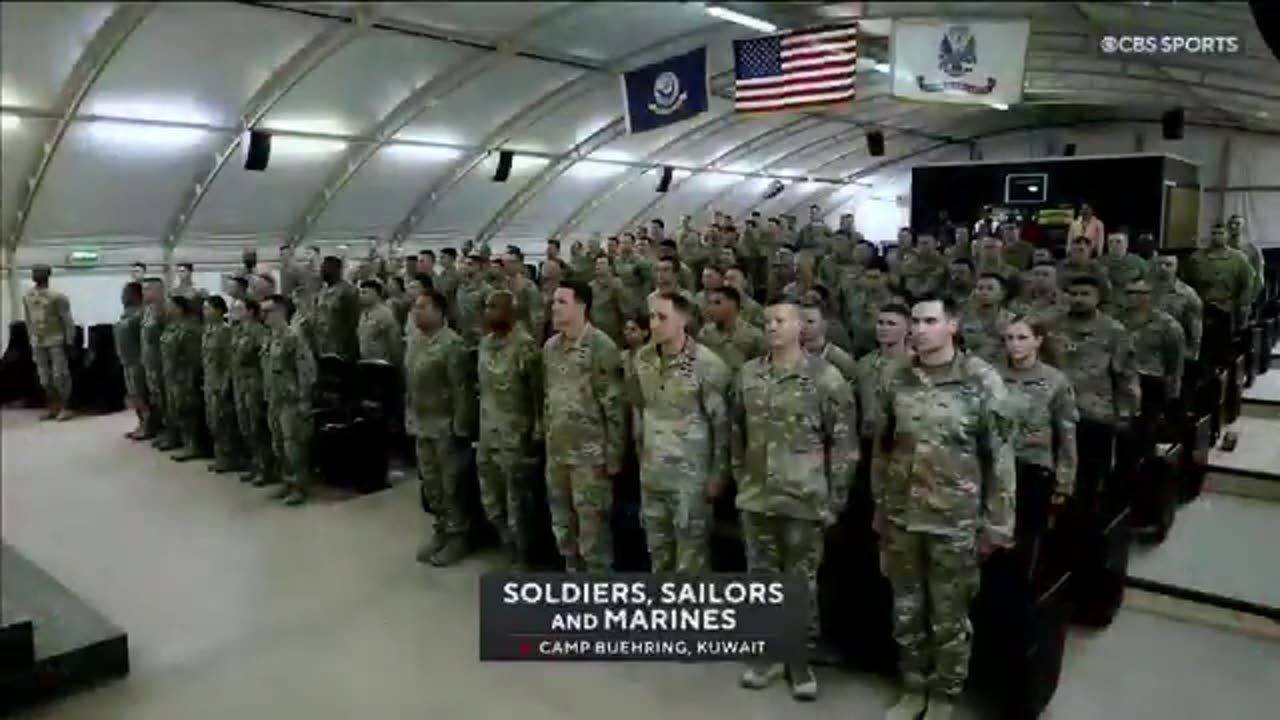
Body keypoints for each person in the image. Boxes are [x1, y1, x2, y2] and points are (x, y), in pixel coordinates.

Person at [875, 295, 1016, 720]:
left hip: (955, 520)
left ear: (952, 325)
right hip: (902, 516)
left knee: (949, 617)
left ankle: (944, 696)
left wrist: (998, 524)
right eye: (915, 322)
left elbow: (1001, 458)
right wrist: (880, 506)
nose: (919, 330)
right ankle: (913, 686)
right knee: (906, 610)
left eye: (930, 321)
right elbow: (883, 449)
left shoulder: (981, 381)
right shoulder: (897, 376)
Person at [733, 299, 856, 702]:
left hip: (804, 498)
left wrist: (835, 499)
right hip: (757, 495)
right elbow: (737, 431)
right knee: (761, 578)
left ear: (800, 326)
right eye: (767, 321)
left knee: (800, 582)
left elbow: (842, 443)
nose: (771, 327)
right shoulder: (749, 374)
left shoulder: (827, 378)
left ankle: (799, 658)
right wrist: (741, 477)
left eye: (779, 320)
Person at [629, 292, 731, 574]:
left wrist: (717, 477)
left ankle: (691, 617)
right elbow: (640, 410)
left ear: (683, 320)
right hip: (653, 476)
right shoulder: (643, 359)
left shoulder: (707, 365)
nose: (654, 324)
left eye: (662, 317)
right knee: (658, 558)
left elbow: (721, 427)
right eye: (651, 317)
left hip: (690, 481)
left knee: (691, 565)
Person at [543, 279, 625, 573]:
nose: (554, 307)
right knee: (562, 525)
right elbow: (548, 396)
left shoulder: (601, 346)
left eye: (561, 302)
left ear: (582, 306)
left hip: (589, 457)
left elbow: (615, 407)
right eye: (554, 301)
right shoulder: (551, 347)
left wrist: (614, 454)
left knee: (593, 531)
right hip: (558, 453)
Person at [1045, 276, 1139, 509]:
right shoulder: (1051, 326)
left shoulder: (1114, 331)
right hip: (1053, 413)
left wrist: (1126, 412)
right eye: (1074, 294)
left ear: (1098, 298)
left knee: (1090, 478)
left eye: (1085, 294)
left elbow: (1125, 375)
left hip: (1095, 414)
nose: (1078, 299)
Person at [406, 290, 473, 565]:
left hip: (445, 425)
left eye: (423, 307)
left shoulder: (452, 344)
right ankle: (441, 529)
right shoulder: (414, 342)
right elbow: (408, 385)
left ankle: (458, 536)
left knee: (451, 485)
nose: (416, 311)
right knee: (431, 484)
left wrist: (461, 427)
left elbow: (462, 389)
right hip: (422, 424)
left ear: (439, 312)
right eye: (415, 307)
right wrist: (408, 418)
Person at [477, 291, 543, 568]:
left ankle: (522, 555)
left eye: (494, 307)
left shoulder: (525, 346)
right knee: (490, 497)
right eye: (486, 307)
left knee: (517, 500)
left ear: (510, 311)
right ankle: (506, 542)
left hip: (515, 434)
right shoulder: (485, 344)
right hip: (487, 431)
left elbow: (538, 391)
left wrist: (537, 428)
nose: (488, 312)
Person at [1001, 316, 1078, 506]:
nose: (1014, 344)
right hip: (997, 469)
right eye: (1009, 338)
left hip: (1034, 467)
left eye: (1022, 338)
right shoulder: (992, 377)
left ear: (1038, 341)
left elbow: (1066, 434)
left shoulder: (1055, 380)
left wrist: (1064, 482)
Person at [261, 293, 318, 506]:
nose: (264, 316)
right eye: (263, 312)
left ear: (281, 312)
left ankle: (299, 486)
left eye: (269, 311)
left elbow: (307, 370)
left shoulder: (293, 337)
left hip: (291, 399)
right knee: (278, 444)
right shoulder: (270, 336)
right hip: (274, 397)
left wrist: (304, 399)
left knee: (293, 445)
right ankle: (287, 480)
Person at [232, 298, 278, 487]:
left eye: (240, 308)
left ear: (251, 311)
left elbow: (259, 358)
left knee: (257, 427)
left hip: (254, 383)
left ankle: (266, 468)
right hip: (241, 382)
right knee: (245, 427)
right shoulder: (236, 330)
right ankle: (255, 464)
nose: (235, 311)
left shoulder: (260, 332)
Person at [22, 264, 75, 421]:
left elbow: (67, 320)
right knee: (44, 376)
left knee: (60, 375)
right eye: (34, 272)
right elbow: (28, 319)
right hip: (37, 340)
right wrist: (30, 337)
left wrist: (70, 341)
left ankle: (66, 407)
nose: (35, 274)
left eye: (39, 272)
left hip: (55, 339)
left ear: (47, 275)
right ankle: (53, 407)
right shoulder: (28, 296)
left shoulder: (57, 297)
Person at [853, 303, 912, 441]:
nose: (884, 328)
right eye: (880, 323)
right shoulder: (864, 364)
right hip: (867, 443)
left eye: (891, 324)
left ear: (907, 329)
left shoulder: (914, 365)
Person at [161, 294, 205, 462]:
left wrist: (190, 380)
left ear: (179, 308)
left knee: (188, 412)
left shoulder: (190, 328)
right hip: (172, 375)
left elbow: (194, 358)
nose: (167, 309)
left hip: (184, 377)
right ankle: (184, 442)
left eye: (170, 306)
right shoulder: (172, 326)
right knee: (177, 411)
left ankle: (192, 445)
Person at [202, 295, 242, 474]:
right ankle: (220, 456)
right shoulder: (208, 330)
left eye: (208, 308)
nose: (204, 312)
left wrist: (225, 383)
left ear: (219, 311)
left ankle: (229, 457)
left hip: (219, 383)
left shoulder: (225, 331)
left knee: (223, 422)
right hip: (210, 381)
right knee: (212, 421)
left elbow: (229, 361)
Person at [698, 286, 767, 373]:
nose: (711, 308)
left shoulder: (754, 335)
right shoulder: (705, 333)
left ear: (733, 305)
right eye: (709, 303)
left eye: (717, 303)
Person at [1150, 253, 1203, 363]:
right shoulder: (1141, 289)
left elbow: (1195, 327)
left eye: (1168, 264)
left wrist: (1193, 353)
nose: (1163, 268)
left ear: (1176, 267)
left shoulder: (1188, 294)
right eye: (1159, 264)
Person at [141, 278, 174, 447]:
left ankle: (172, 434)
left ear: (158, 290)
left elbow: (167, 338)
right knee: (156, 398)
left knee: (166, 399)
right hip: (150, 361)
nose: (144, 292)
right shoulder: (148, 310)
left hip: (162, 362)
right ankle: (161, 430)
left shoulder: (165, 310)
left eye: (148, 289)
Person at [115, 281, 150, 439]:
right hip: (126, 360)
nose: (123, 297)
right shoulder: (126, 313)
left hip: (138, 360)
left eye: (126, 293)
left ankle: (148, 426)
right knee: (133, 395)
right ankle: (141, 424)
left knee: (141, 395)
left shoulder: (141, 313)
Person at [958, 273, 1015, 366]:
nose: (984, 292)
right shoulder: (963, 319)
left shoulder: (1012, 321)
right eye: (980, 288)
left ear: (1002, 294)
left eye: (990, 288)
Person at [314, 256, 360, 360]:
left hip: (341, 350)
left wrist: (349, 352)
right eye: (322, 268)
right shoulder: (322, 291)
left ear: (336, 270)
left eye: (325, 268)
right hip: (323, 347)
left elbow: (353, 323)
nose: (322, 271)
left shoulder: (348, 291)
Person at [799, 298, 857, 383]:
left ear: (824, 324)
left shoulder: (841, 359)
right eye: (800, 322)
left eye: (810, 322)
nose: (804, 326)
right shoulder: (791, 355)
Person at [357, 279, 403, 366]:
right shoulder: (363, 314)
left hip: (382, 365)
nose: (361, 296)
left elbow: (394, 341)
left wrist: (394, 365)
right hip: (366, 363)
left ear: (375, 294)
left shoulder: (385, 314)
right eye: (360, 293)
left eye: (364, 293)